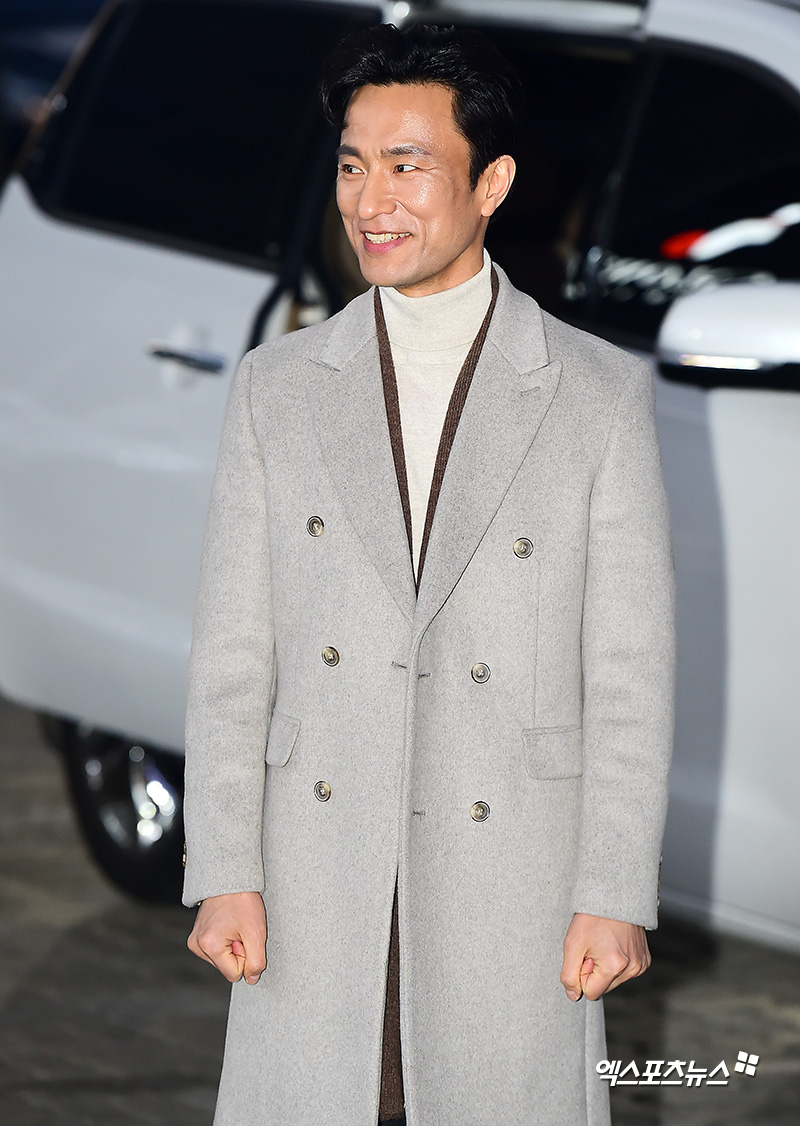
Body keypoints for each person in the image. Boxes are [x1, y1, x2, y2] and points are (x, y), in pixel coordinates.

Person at [182, 22, 675, 1126]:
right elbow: (232, 655)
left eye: (408, 166)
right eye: (353, 165)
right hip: (317, 869)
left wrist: (613, 892)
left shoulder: (595, 394)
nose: (372, 201)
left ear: (491, 183)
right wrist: (222, 866)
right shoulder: (277, 387)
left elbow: (629, 674)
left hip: (514, 878)